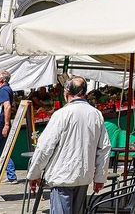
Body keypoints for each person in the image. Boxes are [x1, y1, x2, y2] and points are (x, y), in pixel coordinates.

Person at [27, 77, 110, 214]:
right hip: (83, 176)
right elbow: (104, 148)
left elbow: (44, 147)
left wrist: (34, 173)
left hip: (62, 177)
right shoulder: (96, 115)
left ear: (66, 93)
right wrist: (100, 177)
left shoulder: (61, 114)